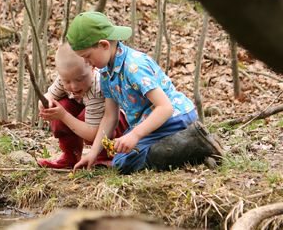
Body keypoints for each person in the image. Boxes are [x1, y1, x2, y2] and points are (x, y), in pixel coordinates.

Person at [67, 12, 223, 174]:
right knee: (121, 157)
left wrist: (135, 135)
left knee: (124, 162)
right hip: (151, 123)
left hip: (174, 118)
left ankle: (196, 142)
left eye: (87, 57)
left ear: (104, 45)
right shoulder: (107, 72)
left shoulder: (134, 66)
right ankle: (196, 151)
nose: (86, 63)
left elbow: (165, 107)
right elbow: (110, 117)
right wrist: (92, 153)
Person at [37, 42, 128, 169]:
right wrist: (45, 105)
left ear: (92, 67)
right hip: (89, 119)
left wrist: (63, 115)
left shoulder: (97, 87)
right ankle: (71, 156)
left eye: (79, 79)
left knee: (78, 115)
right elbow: (49, 95)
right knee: (61, 105)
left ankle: (105, 157)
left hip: (116, 125)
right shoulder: (64, 80)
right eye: (67, 80)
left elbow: (92, 133)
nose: (73, 86)